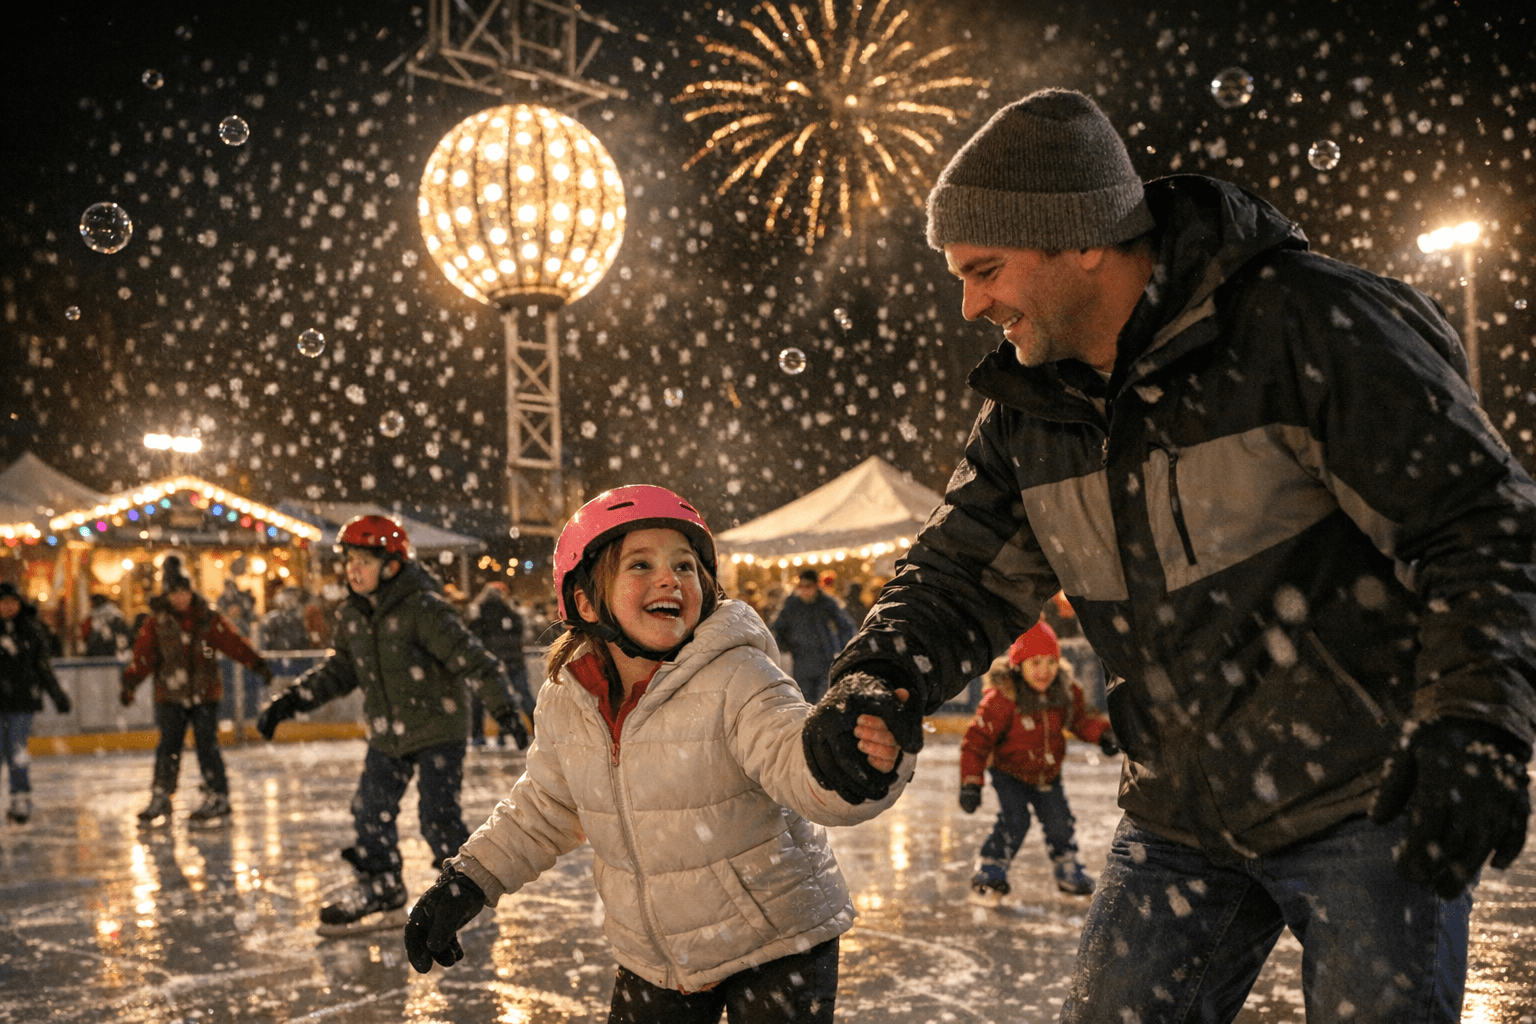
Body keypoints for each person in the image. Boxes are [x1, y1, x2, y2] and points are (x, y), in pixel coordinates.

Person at [799, 87, 1536, 1022]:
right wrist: (882, 675)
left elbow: (1479, 524)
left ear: (1083, 239)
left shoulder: (1301, 329)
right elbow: (954, 576)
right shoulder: (1031, 413)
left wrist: (1476, 721)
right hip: (1179, 814)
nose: (969, 303)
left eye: (985, 269)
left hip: (1364, 800)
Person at [401, 485, 914, 1022]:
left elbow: (792, 759)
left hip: (778, 940)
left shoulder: (737, 675)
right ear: (584, 600)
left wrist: (850, 767)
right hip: (656, 955)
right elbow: (546, 808)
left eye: (685, 566)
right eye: (640, 565)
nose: (669, 578)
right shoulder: (569, 697)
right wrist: (469, 880)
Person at [254, 514, 528, 934]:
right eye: (348, 561)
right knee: (369, 810)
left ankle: (460, 891)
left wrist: (504, 708)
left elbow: (472, 659)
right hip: (388, 731)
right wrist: (289, 702)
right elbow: (341, 671)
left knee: (437, 816)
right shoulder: (353, 615)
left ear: (392, 564)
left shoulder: (424, 609)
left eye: (362, 561)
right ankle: (382, 886)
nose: (352, 570)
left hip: (438, 728)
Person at [960, 621, 1117, 902]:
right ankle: (990, 871)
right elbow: (976, 741)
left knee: (1059, 821)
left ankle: (1068, 870)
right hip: (1009, 772)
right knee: (1015, 821)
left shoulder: (1064, 692)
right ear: (1018, 665)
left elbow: (1081, 719)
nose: (1044, 671)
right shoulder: (1003, 698)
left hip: (1047, 772)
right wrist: (971, 782)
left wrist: (1103, 735)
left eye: (1050, 662)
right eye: (1035, 663)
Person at [121, 560, 274, 825]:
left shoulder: (207, 619)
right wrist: (130, 683)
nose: (180, 598)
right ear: (167, 595)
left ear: (191, 592)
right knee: (168, 747)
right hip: (170, 695)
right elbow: (143, 658)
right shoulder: (157, 623)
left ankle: (218, 795)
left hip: (204, 695)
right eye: (175, 593)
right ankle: (161, 796)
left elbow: (232, 643)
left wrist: (256, 663)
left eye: (184, 592)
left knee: (207, 746)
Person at [0, 581, 72, 824]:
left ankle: (20, 796)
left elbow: (43, 667)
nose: (8, 607)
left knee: (16, 745)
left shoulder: (31, 632)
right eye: (3, 602)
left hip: (23, 701)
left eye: (12, 602)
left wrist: (57, 695)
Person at [770, 567, 857, 704]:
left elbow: (846, 626)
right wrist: (785, 645)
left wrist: (843, 649)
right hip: (801, 660)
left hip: (825, 659)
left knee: (824, 701)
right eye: (801, 586)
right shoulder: (792, 605)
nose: (804, 590)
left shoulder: (827, 603)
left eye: (808, 586)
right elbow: (778, 628)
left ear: (816, 586)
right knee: (805, 701)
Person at [464, 582, 535, 745]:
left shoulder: (478, 612)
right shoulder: (511, 612)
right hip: (513, 663)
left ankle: (479, 736)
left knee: (483, 700)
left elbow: (472, 636)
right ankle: (535, 731)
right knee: (522, 697)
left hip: (488, 663)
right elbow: (522, 633)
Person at [257, 585, 312, 652]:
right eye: (288, 599)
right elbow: (264, 646)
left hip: (296, 658)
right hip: (277, 659)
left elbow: (304, 643)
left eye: (294, 598)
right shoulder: (271, 619)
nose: (292, 602)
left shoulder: (297, 620)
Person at [80, 593, 134, 657]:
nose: (90, 606)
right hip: (116, 655)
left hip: (100, 656)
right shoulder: (117, 616)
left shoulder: (93, 618)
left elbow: (88, 638)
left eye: (91, 603)